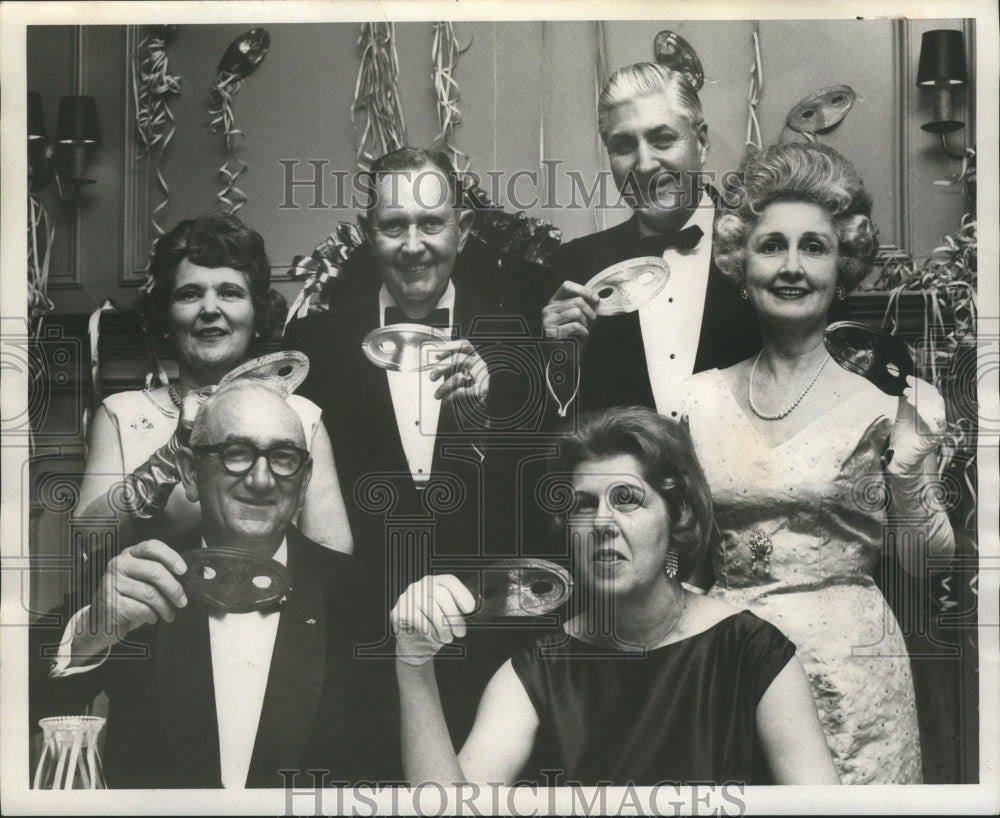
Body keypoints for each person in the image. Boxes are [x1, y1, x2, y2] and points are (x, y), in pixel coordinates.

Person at [683, 141, 956, 784]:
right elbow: (678, 557)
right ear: (740, 261)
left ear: (843, 267)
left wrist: (911, 475)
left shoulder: (890, 407)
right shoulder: (693, 399)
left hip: (853, 672)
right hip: (730, 663)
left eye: (814, 247)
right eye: (771, 245)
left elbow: (926, 563)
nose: (792, 266)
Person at [391, 407, 839, 786]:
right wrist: (414, 665)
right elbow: (446, 814)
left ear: (677, 515)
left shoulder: (751, 652)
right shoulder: (536, 671)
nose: (601, 523)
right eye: (584, 504)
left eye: (627, 499)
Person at [283, 147, 552, 744]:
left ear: (464, 227)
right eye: (393, 225)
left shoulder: (524, 339)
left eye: (431, 223)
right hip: (357, 652)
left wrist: (497, 414)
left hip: (497, 654)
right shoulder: (315, 348)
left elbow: (549, 505)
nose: (413, 245)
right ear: (366, 233)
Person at [30, 382, 398, 787]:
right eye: (235, 454)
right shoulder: (136, 573)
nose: (261, 480)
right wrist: (91, 633)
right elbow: (20, 705)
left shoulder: (364, 597)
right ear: (190, 473)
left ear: (305, 480)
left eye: (283, 458)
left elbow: (390, 773)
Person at [76, 212, 353, 554]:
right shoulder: (121, 415)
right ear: (166, 317)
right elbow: (87, 543)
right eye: (190, 294)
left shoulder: (302, 416)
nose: (210, 308)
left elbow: (332, 554)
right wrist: (171, 455)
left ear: (256, 314)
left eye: (230, 293)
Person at [541, 62, 763, 421]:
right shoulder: (575, 267)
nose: (644, 165)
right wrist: (559, 362)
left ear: (701, 142)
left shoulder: (769, 249)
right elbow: (557, 429)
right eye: (624, 145)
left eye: (662, 139)